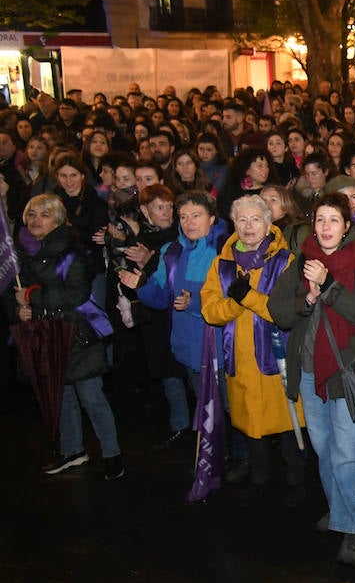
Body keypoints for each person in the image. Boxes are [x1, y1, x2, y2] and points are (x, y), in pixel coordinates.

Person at [267, 193, 355, 566]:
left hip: (347, 370)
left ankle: (353, 526)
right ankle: (338, 509)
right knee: (322, 446)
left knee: (347, 450)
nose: (325, 227)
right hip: (309, 371)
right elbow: (277, 309)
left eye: (334, 220)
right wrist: (306, 300)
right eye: (320, 220)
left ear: (347, 226)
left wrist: (328, 283)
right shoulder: (303, 259)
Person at [5, 194, 123, 478]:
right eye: (32, 214)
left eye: (44, 215)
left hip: (75, 334)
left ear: (58, 221)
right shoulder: (17, 253)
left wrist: (33, 297)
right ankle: (72, 450)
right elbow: (11, 292)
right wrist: (18, 311)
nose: (36, 220)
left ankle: (112, 454)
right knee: (61, 396)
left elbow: (77, 293)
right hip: (42, 335)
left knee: (91, 397)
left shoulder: (72, 251)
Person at [200, 195, 304, 507]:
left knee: (287, 425)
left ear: (268, 223)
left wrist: (248, 297)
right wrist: (236, 303)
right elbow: (210, 311)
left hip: (277, 359)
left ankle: (297, 482)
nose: (248, 226)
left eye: (255, 219)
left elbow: (285, 312)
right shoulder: (222, 263)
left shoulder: (285, 261)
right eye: (242, 220)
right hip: (241, 360)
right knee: (252, 427)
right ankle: (259, 480)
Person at [128, 190, 226, 450]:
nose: (189, 222)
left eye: (196, 215)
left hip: (221, 347)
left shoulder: (223, 251)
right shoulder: (171, 251)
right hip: (188, 346)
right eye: (183, 216)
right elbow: (160, 299)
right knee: (206, 408)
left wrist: (193, 303)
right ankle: (214, 457)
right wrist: (142, 285)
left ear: (212, 218)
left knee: (228, 408)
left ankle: (238, 457)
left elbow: (229, 300)